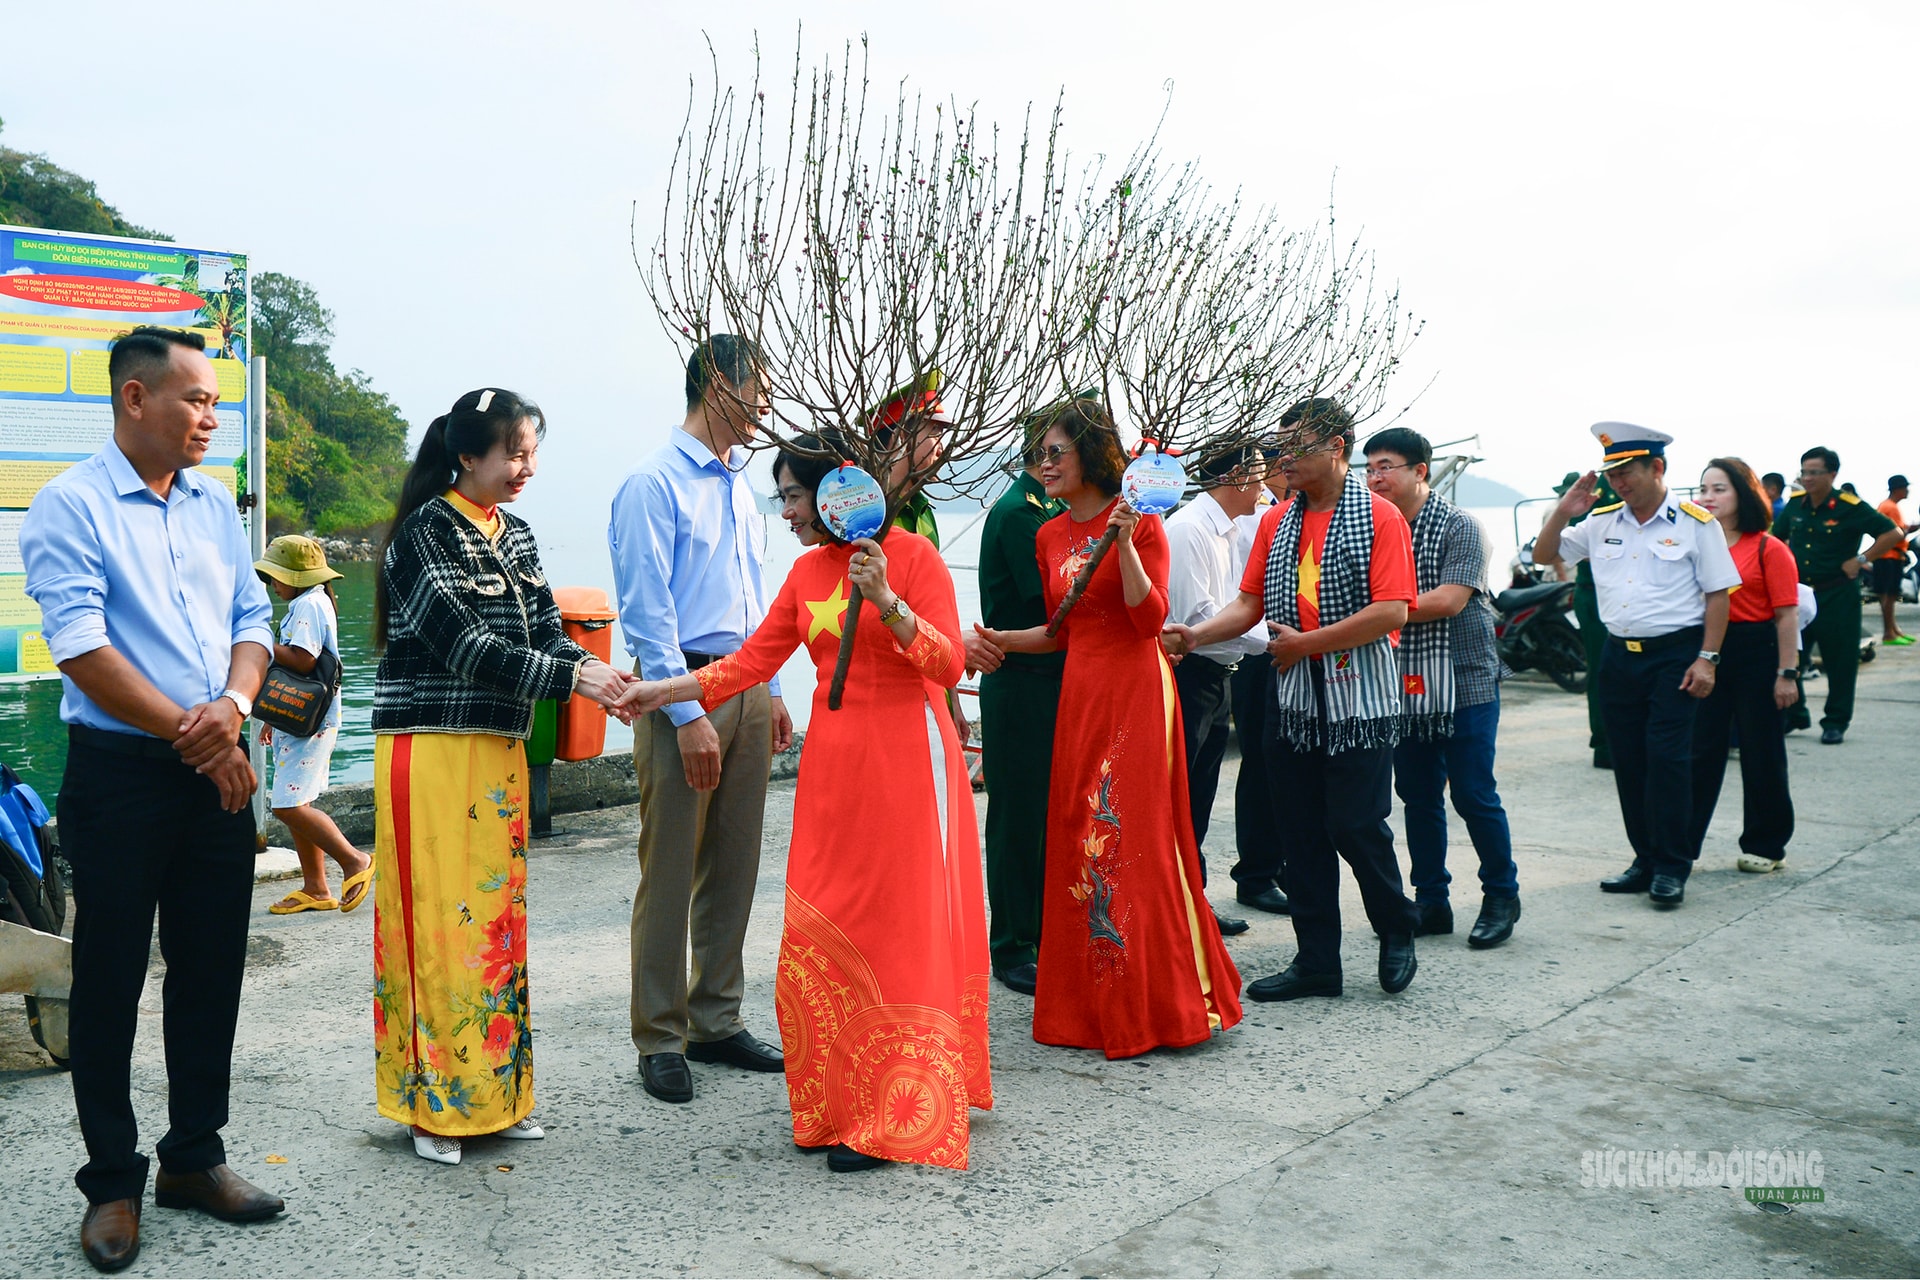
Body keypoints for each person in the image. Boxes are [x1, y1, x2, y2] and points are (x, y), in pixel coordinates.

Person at [613, 433, 992, 1173]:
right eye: (781, 496)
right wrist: (662, 691)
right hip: (835, 764)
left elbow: (947, 663)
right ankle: (840, 1098)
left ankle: (896, 1110)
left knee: (899, 922)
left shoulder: (911, 557)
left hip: (908, 755)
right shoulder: (807, 572)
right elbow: (752, 661)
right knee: (824, 919)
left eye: (792, 495)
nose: (784, 511)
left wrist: (886, 600)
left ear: (833, 494)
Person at [20, 326, 285, 1272]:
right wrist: (198, 733)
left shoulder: (215, 508)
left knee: (211, 971)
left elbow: (255, 622)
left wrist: (235, 706)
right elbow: (84, 649)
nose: (211, 417)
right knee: (110, 981)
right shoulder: (71, 507)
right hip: (124, 778)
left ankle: (193, 1159)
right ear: (135, 400)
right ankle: (112, 1182)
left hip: (218, 761)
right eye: (194, 400)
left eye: (215, 401)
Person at [372, 387, 631, 1165]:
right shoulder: (423, 534)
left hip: (498, 751)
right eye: (513, 453)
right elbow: (468, 647)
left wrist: (600, 674)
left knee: (495, 927)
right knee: (435, 927)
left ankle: (500, 1094)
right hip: (431, 747)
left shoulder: (514, 534)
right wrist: (574, 682)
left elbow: (548, 631)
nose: (526, 467)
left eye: (531, 452)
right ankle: (432, 1107)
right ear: (467, 456)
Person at [976, 397, 1243, 1054]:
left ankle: (1153, 1004)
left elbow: (1148, 620)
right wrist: (993, 640)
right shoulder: (1046, 534)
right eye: (1038, 453)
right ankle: (1087, 1006)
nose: (1044, 464)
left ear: (1090, 455)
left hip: (1136, 690)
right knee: (1079, 838)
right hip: (1080, 696)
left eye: (1055, 452)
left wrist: (1123, 541)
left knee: (1130, 840)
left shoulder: (1146, 526)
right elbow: (1059, 631)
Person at [1165, 399, 1420, 1002]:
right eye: (1278, 447)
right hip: (1294, 700)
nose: (1282, 458)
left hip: (1360, 700)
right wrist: (1195, 635)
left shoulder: (1380, 518)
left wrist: (1309, 645)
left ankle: (1395, 924)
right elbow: (1250, 602)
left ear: (1336, 446)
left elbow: (1391, 611)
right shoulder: (1277, 521)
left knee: (1356, 824)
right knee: (1300, 830)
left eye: (1295, 445)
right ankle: (1317, 963)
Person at [608, 336, 792, 1106]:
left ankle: (716, 1020)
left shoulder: (739, 492)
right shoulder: (652, 484)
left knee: (736, 863)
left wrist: (773, 689)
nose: (765, 406)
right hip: (682, 689)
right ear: (719, 384)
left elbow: (757, 605)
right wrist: (685, 715)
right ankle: (659, 1033)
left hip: (746, 688)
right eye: (759, 389)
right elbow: (647, 614)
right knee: (673, 866)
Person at [1534, 423, 1740, 909]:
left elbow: (1717, 596)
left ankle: (1672, 865)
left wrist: (1707, 659)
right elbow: (1545, 553)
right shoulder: (1602, 521)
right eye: (1613, 473)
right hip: (1618, 656)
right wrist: (1563, 513)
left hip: (1676, 655)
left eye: (1628, 472)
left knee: (1667, 761)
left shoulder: (1696, 523)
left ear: (1657, 468)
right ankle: (1644, 858)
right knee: (1628, 760)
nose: (1619, 482)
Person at [1363, 429, 1520, 948]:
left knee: (1474, 794)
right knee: (1417, 797)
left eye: (1385, 466)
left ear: (1420, 471)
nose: (1374, 477)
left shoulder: (1461, 526)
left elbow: (1451, 599)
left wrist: (1376, 613)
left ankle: (1501, 895)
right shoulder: (1371, 527)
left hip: (1465, 678)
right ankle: (1431, 900)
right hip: (1403, 681)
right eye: (1369, 468)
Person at [974, 418, 1066, 997]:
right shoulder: (1019, 513)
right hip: (1021, 679)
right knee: (1017, 819)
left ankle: (1038, 931)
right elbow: (1052, 604)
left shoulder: (1044, 508)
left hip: (1051, 679)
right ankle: (1010, 945)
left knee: (1048, 815)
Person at [1164, 446, 1268, 937]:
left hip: (1217, 675)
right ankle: (1176, 909)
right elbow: (1196, 622)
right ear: (1237, 475)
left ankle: (1192, 903)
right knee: (1178, 800)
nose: (1265, 489)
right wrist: (1274, 639)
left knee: (1198, 802)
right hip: (1189, 675)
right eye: (1260, 477)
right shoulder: (1189, 530)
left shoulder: (1225, 529)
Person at [253, 535, 373, 916]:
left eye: (276, 577)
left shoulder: (308, 604)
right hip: (302, 717)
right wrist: (275, 716)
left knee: (288, 806)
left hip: (312, 720)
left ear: (295, 577)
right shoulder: (314, 601)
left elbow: (304, 660)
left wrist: (259, 642)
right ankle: (315, 887)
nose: (273, 585)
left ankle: (354, 860)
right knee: (298, 801)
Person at [1690, 459, 1798, 873]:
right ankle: (1682, 844)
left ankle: (1766, 844)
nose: (1708, 498)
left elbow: (1786, 615)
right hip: (1708, 650)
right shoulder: (1698, 543)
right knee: (1699, 751)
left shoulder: (1770, 548)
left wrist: (1786, 673)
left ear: (1743, 494)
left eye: (1720, 489)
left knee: (1761, 751)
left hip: (1757, 650)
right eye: (1704, 489)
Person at [1771, 447, 1901, 744]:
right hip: (1801, 594)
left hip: (1837, 593)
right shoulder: (1795, 505)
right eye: (1804, 472)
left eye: (1814, 473)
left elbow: (1892, 533)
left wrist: (1862, 559)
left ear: (1832, 474)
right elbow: (1775, 540)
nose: (1808, 478)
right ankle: (1795, 714)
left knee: (1840, 661)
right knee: (1791, 656)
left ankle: (1836, 721)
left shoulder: (1849, 506)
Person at [1226, 453, 1292, 914]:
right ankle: (1256, 872)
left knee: (1290, 764)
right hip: (1257, 649)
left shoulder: (1300, 508)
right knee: (1260, 762)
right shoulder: (1256, 516)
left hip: (1300, 649)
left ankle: (1282, 860)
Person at [1872, 475, 1916, 645]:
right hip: (1888, 556)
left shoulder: (1888, 506)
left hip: (1890, 555)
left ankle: (1894, 629)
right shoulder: (1890, 507)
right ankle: (1889, 633)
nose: (1908, 491)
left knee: (1890, 595)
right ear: (1898, 489)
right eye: (1905, 488)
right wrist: (1912, 528)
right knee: (1888, 596)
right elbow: (1897, 532)